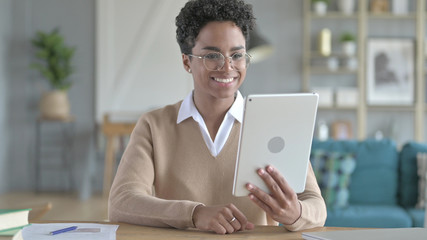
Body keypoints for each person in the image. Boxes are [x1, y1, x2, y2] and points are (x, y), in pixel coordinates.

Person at [108, 0, 326, 235]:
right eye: (212, 55)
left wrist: (296, 213)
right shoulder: (154, 125)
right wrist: (195, 214)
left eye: (237, 55)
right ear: (186, 61)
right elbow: (121, 202)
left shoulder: (277, 122)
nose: (227, 67)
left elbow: (317, 206)